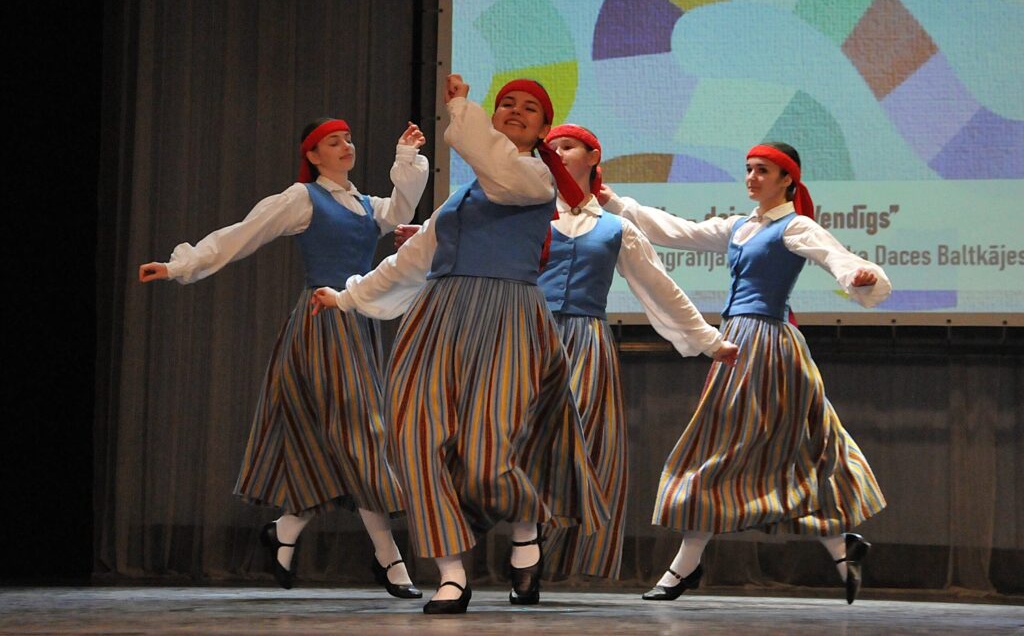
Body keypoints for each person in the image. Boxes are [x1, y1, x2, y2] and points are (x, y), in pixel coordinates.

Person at [312, 75, 607, 614]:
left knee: (487, 455)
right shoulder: (460, 198)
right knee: (415, 436)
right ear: (493, 120)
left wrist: (460, 109)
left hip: (507, 320)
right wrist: (348, 296)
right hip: (439, 320)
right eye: (506, 104)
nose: (516, 111)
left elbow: (499, 169)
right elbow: (411, 259)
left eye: (529, 108)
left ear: (544, 128)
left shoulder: (536, 177)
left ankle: (526, 525)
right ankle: (451, 574)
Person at [138, 118, 428, 597]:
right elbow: (242, 234)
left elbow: (399, 210)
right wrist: (179, 265)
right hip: (322, 324)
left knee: (333, 440)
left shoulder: (362, 205)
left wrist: (405, 157)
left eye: (348, 139)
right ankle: (389, 559)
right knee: (363, 433)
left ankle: (285, 530)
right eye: (333, 142)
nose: (346, 146)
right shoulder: (301, 199)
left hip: (357, 322)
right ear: (312, 155)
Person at [597, 142, 890, 604]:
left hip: (768, 346)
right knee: (761, 451)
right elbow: (678, 230)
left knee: (727, 449)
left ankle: (684, 568)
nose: (752, 178)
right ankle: (839, 548)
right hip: (736, 341)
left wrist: (857, 277)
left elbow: (836, 257)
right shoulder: (739, 227)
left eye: (763, 171)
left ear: (787, 180)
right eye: (749, 169)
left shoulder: (796, 226)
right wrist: (615, 203)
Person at [529, 124, 737, 580]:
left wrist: (708, 339)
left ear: (593, 156)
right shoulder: (528, 213)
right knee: (522, 440)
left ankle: (548, 550)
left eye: (567, 146)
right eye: (552, 147)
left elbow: (659, 287)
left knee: (582, 446)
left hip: (585, 342)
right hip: (530, 337)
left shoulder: (615, 228)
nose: (557, 153)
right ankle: (523, 546)